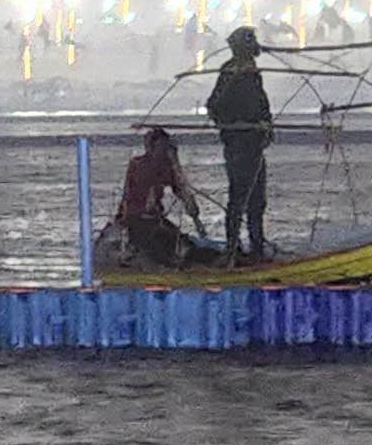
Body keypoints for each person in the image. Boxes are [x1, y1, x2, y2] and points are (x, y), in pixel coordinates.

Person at [205, 25, 275, 260]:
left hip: (254, 144)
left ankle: (256, 246)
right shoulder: (231, 72)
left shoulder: (253, 73)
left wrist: (266, 125)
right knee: (239, 197)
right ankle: (233, 247)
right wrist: (236, 125)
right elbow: (214, 106)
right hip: (238, 145)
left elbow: (261, 105)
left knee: (257, 200)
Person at [113, 125, 207, 268]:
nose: (163, 153)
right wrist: (174, 164)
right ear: (151, 148)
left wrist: (197, 221)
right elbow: (142, 191)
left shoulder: (165, 167)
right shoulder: (139, 165)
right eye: (160, 149)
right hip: (137, 221)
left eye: (165, 149)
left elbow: (182, 191)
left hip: (155, 220)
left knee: (186, 246)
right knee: (163, 252)